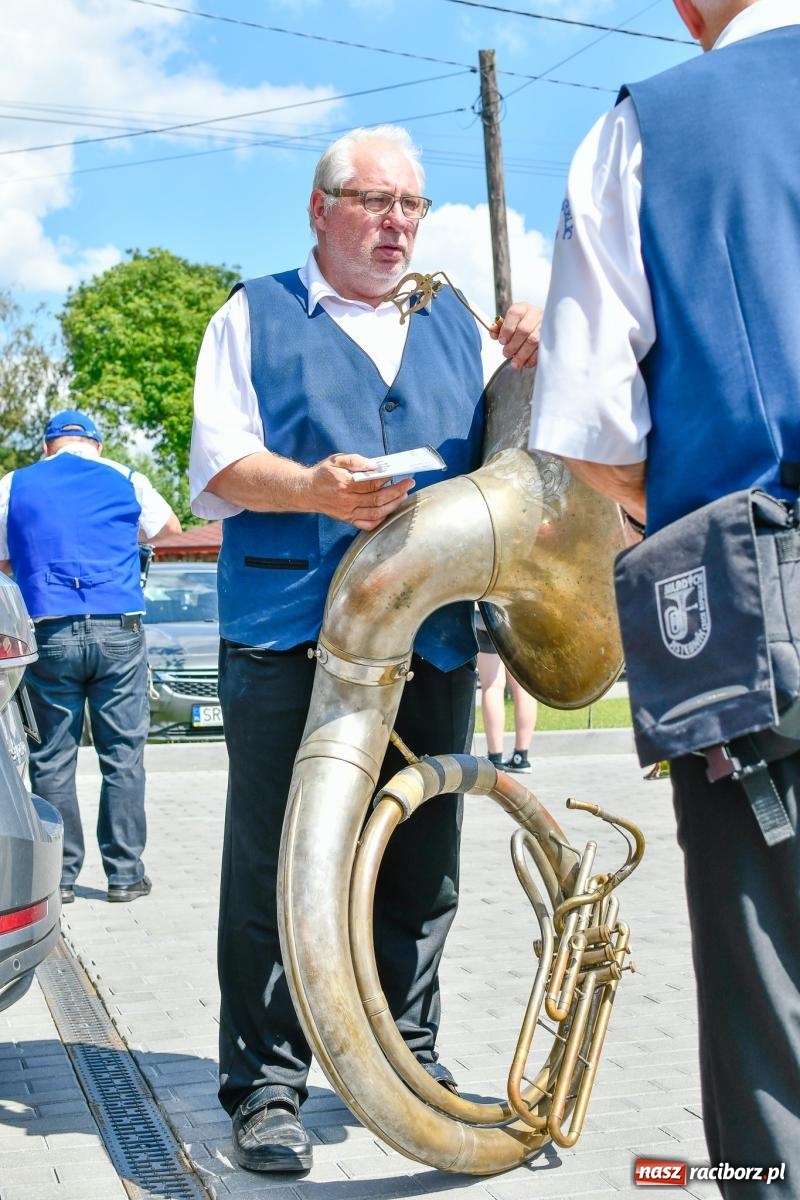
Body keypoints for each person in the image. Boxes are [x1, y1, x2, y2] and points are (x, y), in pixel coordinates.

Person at [189, 124, 540, 1174]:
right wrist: (311, 489)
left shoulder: (459, 323)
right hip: (287, 635)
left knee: (421, 858)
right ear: (320, 208)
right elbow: (219, 464)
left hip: (428, 636)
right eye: (375, 202)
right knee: (275, 863)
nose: (397, 224)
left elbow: (528, 446)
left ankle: (407, 1062)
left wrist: (544, 342)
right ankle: (267, 1088)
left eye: (410, 207)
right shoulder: (249, 313)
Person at [527, 1, 800, 1194]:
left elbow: (590, 428)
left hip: (762, 599)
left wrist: (686, 496)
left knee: (771, 1017)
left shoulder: (649, 126)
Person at [0, 410, 181, 905]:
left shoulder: (14, 483)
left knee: (52, 758)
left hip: (49, 631)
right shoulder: (125, 475)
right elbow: (168, 527)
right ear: (96, 445)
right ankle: (125, 875)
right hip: (118, 628)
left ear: (47, 447)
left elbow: (3, 558)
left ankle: (59, 877)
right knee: (122, 756)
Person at [476, 608, 537, 772]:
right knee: (523, 686)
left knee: (492, 686)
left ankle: (495, 758)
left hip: (488, 615)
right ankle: (521, 757)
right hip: (521, 614)